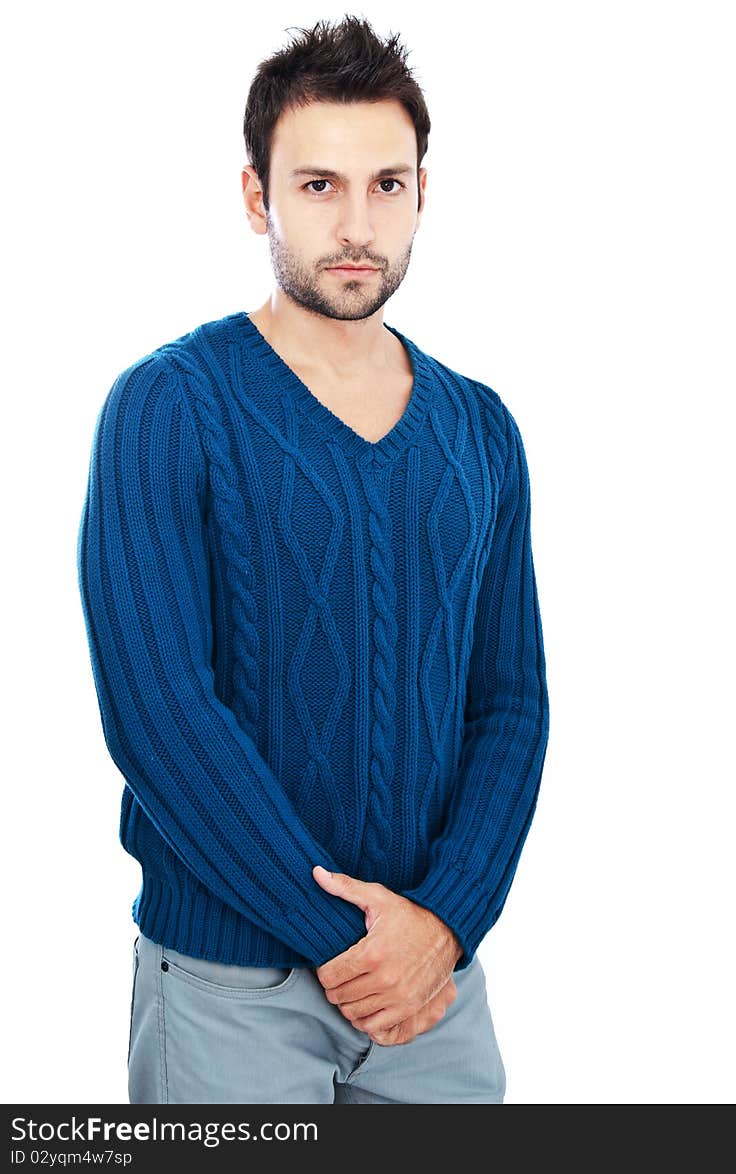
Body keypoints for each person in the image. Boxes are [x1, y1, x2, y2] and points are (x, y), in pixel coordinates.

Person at [76, 14, 550, 1105]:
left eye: (387, 185)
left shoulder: (481, 430)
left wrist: (442, 924)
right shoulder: (166, 408)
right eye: (318, 184)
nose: (356, 223)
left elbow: (511, 702)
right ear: (257, 197)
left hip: (434, 991)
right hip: (227, 990)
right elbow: (157, 712)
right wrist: (357, 940)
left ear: (423, 193)